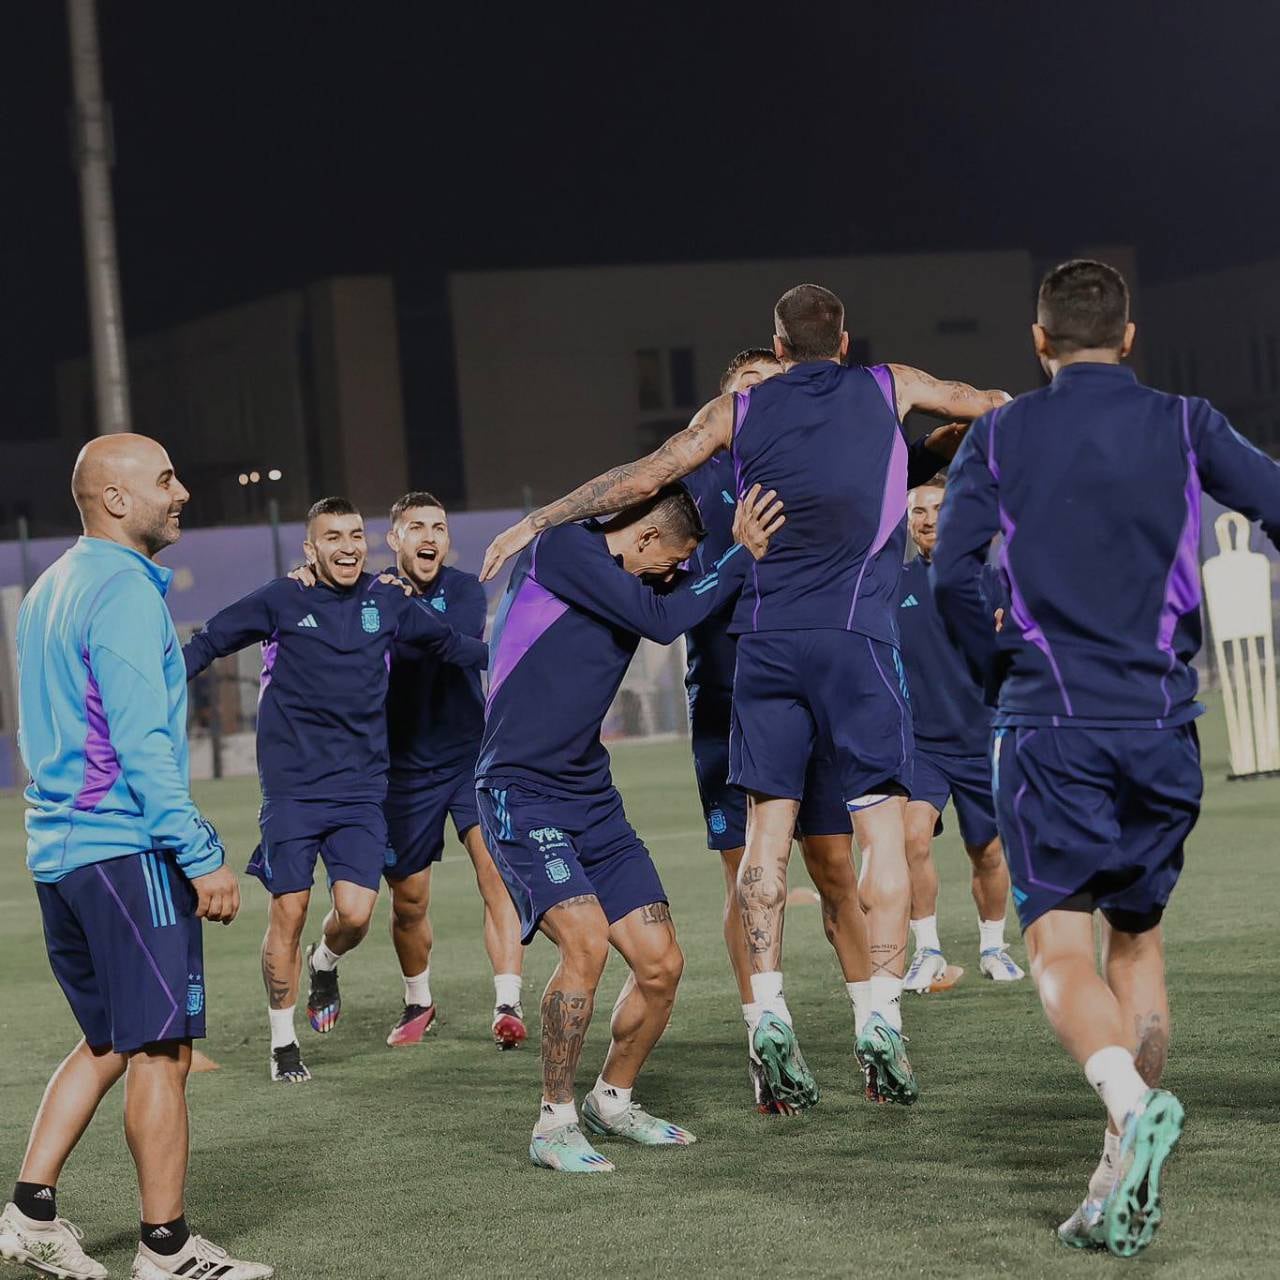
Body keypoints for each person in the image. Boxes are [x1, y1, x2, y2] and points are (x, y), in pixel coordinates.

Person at [479, 284, 1008, 1110]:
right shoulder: (885, 385)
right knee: (882, 832)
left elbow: (640, 473)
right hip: (852, 649)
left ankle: (766, 1011)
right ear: (843, 342)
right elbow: (992, 404)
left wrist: (533, 520)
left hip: (765, 653)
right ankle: (881, 1018)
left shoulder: (736, 418)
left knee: (769, 843)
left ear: (778, 344)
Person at [933, 259, 1280, 1257]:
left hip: (1050, 723)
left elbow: (954, 573)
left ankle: (1128, 1108)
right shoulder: (1185, 420)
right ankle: (1112, 1177)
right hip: (1164, 723)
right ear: (1127, 337)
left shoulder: (999, 434)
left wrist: (1001, 656)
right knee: (1136, 939)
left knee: (1054, 943)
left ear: (1037, 341)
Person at [0, 434, 271, 1280]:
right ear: (116, 499)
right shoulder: (121, 590)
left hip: (61, 854)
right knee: (159, 1050)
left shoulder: (50, 585)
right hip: (125, 853)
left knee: (109, 1038)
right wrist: (200, 854)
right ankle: (168, 1250)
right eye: (165, 479)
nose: (182, 491)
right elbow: (141, 744)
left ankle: (30, 1211)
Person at [684, 348, 969, 1111]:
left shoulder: (810, 454)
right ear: (722, 413)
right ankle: (764, 1045)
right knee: (748, 866)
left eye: (766, 390)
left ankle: (871, 1027)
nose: (760, 405)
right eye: (744, 394)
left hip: (795, 679)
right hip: (730, 694)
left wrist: (940, 442)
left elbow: (907, 459)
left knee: (835, 871)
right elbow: (672, 595)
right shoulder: (705, 489)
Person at [477, 483, 782, 1171]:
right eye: (669, 559)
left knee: (661, 962)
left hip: (590, 794)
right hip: (518, 791)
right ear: (643, 538)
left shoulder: (630, 579)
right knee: (584, 942)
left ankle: (611, 1099)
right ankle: (552, 1121)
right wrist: (741, 556)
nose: (672, 573)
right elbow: (669, 619)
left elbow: (673, 601)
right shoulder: (563, 550)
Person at [183, 497, 487, 1083]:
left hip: (362, 790)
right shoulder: (281, 598)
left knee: (354, 914)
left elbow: (451, 646)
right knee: (289, 911)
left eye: (354, 536)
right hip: (294, 792)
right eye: (332, 538)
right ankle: (283, 1043)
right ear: (311, 548)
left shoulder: (388, 600)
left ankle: (326, 963)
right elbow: (211, 640)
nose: (346, 547)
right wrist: (153, 679)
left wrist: (521, 658)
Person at [379, 492, 526, 1049]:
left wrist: (401, 618)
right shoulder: (370, 594)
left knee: (496, 877)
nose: (429, 537)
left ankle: (507, 1003)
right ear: (394, 539)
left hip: (471, 757)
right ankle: (419, 1001)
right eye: (416, 527)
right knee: (409, 901)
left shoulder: (463, 588)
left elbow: (461, 649)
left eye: (438, 527)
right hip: (404, 772)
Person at [897, 475, 1023, 993]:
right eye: (918, 511)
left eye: (938, 509)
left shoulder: (992, 581)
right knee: (910, 838)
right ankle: (927, 950)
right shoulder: (890, 585)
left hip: (980, 742)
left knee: (987, 853)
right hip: (920, 745)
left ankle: (993, 946)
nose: (928, 519)